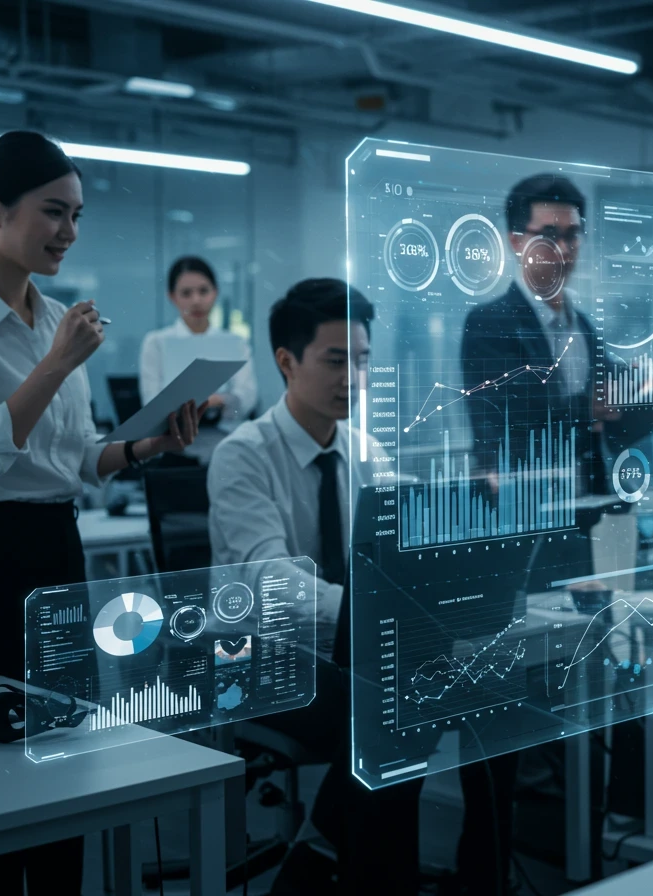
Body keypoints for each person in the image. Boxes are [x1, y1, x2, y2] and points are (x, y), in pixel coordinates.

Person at [0, 130, 205, 893]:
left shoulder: (55, 321)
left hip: (58, 559)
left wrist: (146, 445)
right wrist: (55, 365)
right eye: (53, 213)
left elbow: (78, 460)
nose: (69, 234)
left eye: (77, 216)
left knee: (62, 785)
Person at [459, 173, 653, 894]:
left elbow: (618, 416)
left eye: (573, 234)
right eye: (549, 234)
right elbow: (505, 429)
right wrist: (593, 406)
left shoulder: (581, 323)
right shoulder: (490, 324)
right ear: (516, 242)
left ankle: (592, 845)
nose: (564, 248)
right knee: (515, 707)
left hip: (590, 529)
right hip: (525, 532)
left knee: (600, 685)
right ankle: (490, 869)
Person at [207, 278, 424, 894]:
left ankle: (325, 855)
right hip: (251, 654)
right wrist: (365, 609)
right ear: (286, 361)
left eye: (362, 360)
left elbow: (400, 554)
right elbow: (272, 580)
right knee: (392, 714)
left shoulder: (367, 452)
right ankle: (348, 869)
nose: (354, 377)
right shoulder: (243, 454)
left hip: (343, 654)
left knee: (428, 695)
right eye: (336, 360)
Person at [139, 255, 257, 462]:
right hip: (173, 452)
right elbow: (152, 405)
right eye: (186, 293)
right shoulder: (157, 342)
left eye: (203, 291)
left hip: (228, 448)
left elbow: (247, 400)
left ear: (216, 292)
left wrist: (218, 401)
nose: (196, 300)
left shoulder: (235, 342)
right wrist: (210, 401)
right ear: (172, 297)